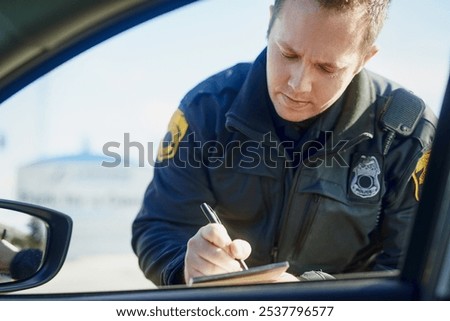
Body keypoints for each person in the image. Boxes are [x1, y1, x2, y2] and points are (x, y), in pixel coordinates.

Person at [132, 0, 436, 286]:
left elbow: (417, 269)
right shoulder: (207, 109)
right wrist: (185, 268)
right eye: (288, 54)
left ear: (363, 59)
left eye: (326, 68)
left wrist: (314, 299)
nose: (298, 84)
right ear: (269, 25)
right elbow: (159, 226)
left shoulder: (408, 135)